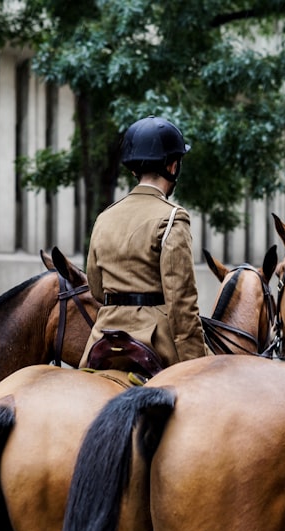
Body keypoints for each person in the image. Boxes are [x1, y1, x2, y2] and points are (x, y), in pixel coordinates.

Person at [79, 115, 206, 371]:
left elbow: (95, 288)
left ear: (134, 170)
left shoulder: (105, 217)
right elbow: (181, 304)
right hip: (155, 341)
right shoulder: (173, 217)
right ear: (173, 166)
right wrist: (199, 364)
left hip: (102, 338)